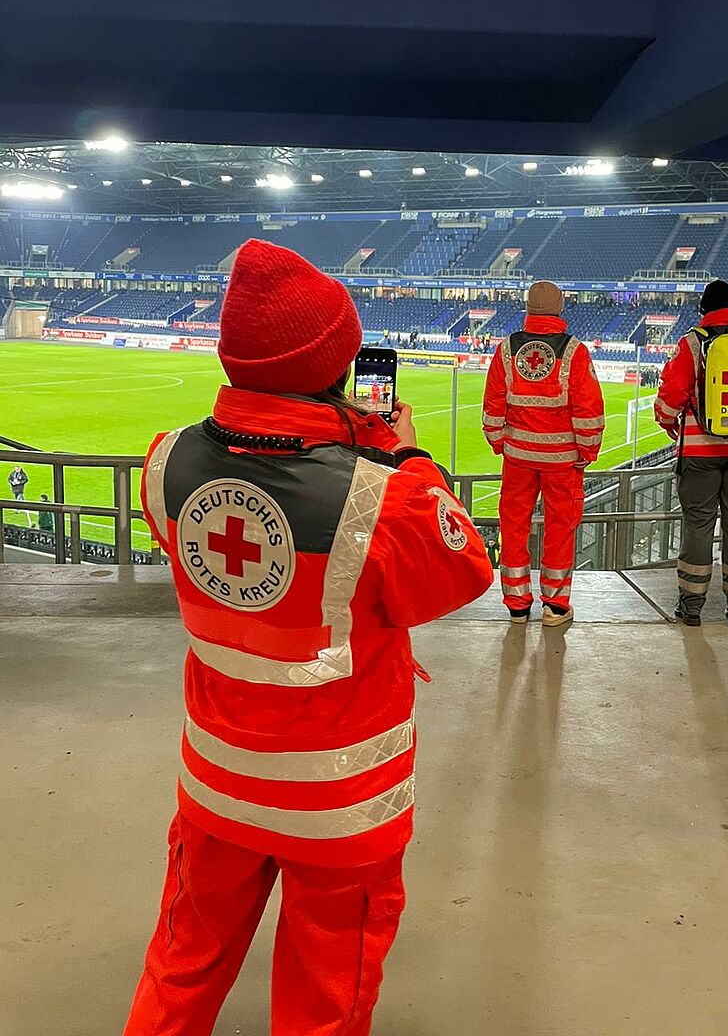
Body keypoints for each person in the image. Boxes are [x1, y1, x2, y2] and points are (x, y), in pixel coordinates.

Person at [124, 240, 493, 1036]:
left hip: (217, 783)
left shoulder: (164, 465)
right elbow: (462, 572)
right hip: (340, 803)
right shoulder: (385, 496)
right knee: (324, 999)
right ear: (337, 364)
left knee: (181, 965)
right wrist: (406, 455)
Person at [482, 280, 605, 625]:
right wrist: (587, 450)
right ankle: (555, 605)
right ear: (559, 308)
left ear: (529, 308)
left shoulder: (506, 349)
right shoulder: (575, 351)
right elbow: (588, 408)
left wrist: (499, 442)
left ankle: (517, 604)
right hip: (563, 462)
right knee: (560, 530)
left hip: (518, 458)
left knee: (513, 527)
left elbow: (493, 404)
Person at [654, 279, 728, 629]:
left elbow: (671, 396)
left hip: (701, 451)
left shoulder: (692, 343)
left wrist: (668, 422)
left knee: (698, 524)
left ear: (703, 309)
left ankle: (691, 607)